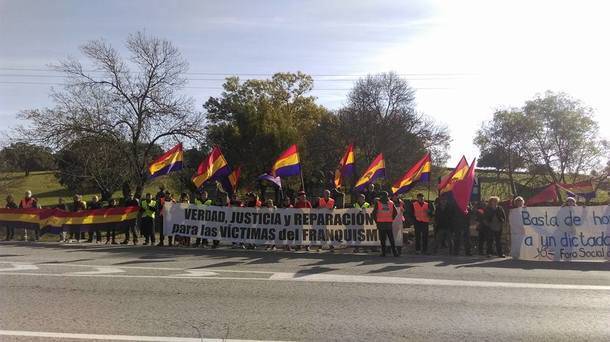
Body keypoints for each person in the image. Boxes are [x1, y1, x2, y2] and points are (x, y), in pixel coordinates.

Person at [372, 191, 398, 257]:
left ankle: (383, 253)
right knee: (391, 238)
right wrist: (391, 219)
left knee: (383, 239)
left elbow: (374, 213)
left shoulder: (378, 203)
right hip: (389, 223)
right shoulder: (391, 203)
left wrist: (377, 221)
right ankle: (395, 253)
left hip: (381, 223)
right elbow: (395, 213)